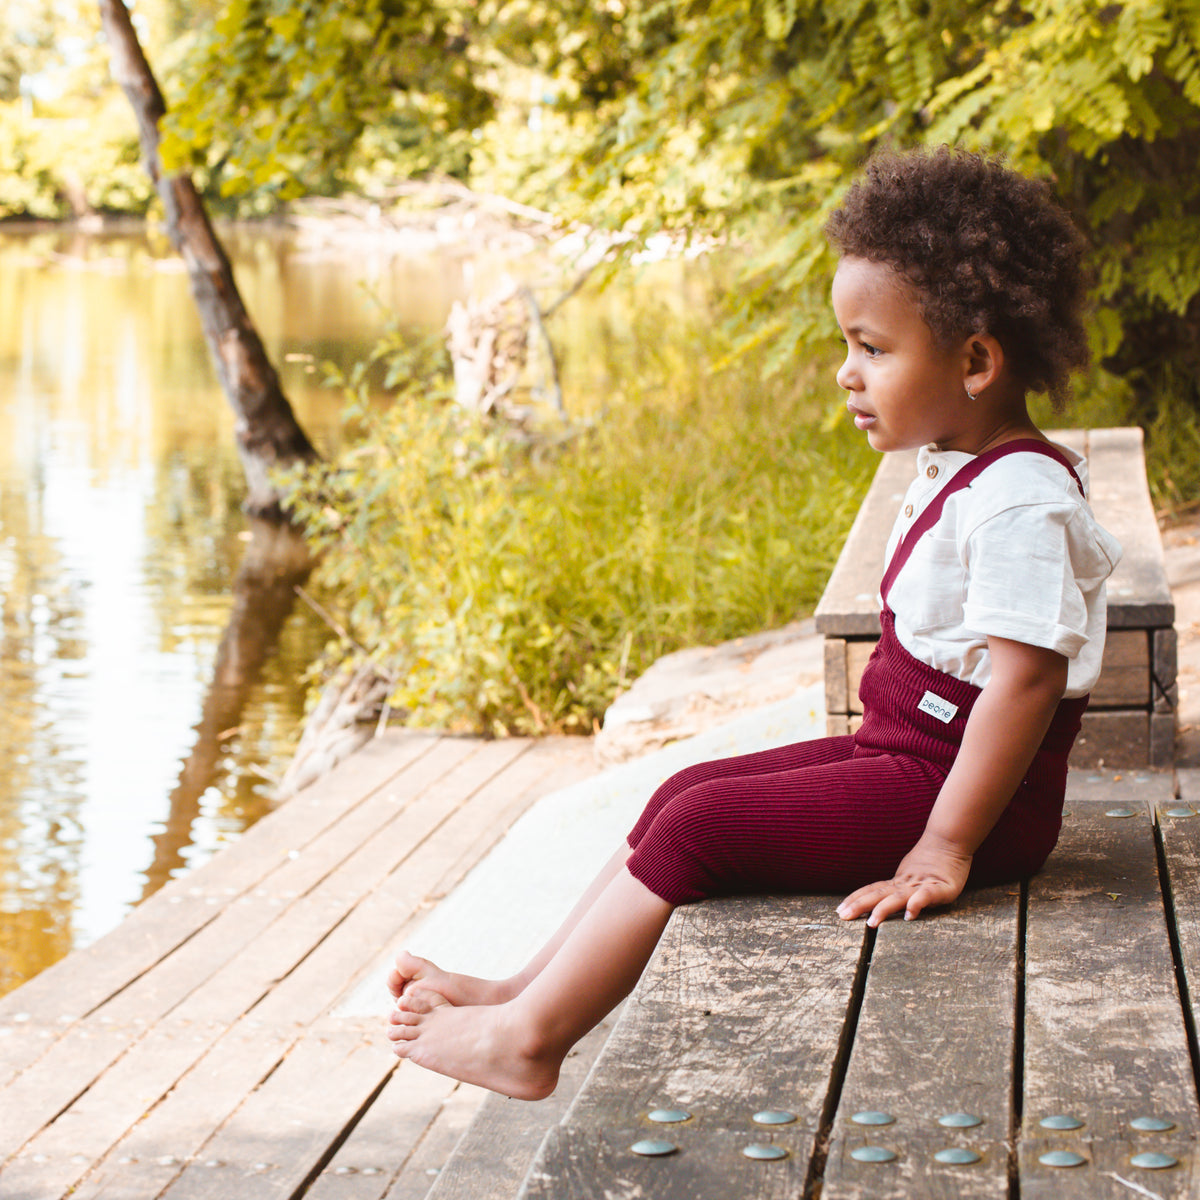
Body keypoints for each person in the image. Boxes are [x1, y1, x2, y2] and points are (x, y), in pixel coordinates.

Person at [385, 146, 1122, 1100]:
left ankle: (531, 1040)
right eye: (848, 345)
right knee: (679, 790)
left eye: (873, 347)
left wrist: (945, 846)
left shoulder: (1020, 500)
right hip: (907, 761)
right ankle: (523, 989)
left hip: (971, 803)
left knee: (702, 824)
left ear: (977, 359)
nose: (845, 374)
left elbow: (1022, 682)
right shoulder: (962, 467)